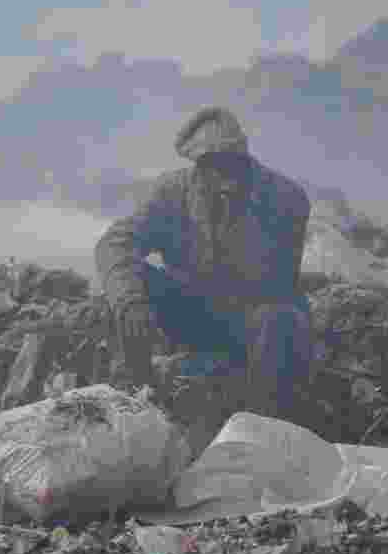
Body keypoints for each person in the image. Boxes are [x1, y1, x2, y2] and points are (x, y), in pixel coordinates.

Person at [95, 107, 314, 422]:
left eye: (232, 165)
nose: (224, 177)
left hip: (253, 321)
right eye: (213, 167)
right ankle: (139, 398)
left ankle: (258, 425)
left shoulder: (285, 198)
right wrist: (131, 302)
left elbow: (276, 285)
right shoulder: (171, 192)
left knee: (278, 319)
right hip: (194, 311)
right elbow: (114, 244)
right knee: (127, 285)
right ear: (198, 165)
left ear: (245, 156)